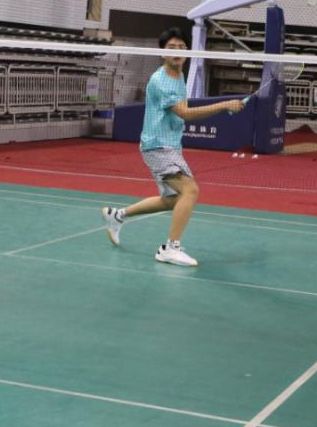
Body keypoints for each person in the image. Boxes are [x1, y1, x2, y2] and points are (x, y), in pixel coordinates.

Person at [100, 28, 243, 267]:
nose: (177, 52)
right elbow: (184, 113)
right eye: (171, 48)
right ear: (162, 53)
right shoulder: (161, 81)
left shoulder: (179, 74)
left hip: (170, 145)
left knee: (172, 199)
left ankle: (118, 216)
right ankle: (170, 248)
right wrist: (223, 105)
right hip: (158, 146)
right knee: (190, 191)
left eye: (181, 47)